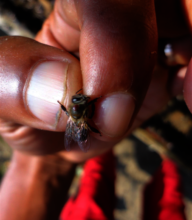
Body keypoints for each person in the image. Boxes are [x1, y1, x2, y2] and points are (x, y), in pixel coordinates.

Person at [0, 0, 191, 219]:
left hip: (83, 162)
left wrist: (52, 160)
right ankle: (160, 170)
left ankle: (107, 161)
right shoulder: (78, 116)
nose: (78, 100)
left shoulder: (74, 115)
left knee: (96, 185)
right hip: (89, 144)